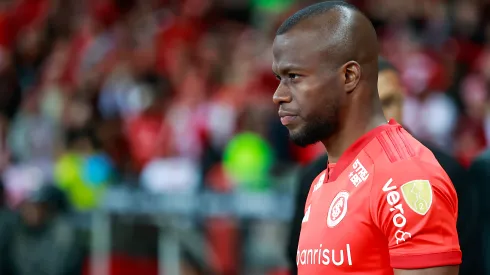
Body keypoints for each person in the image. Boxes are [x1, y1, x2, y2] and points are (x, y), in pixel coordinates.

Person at [272, 1, 461, 274]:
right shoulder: (319, 182)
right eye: (279, 77)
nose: (279, 94)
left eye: (294, 76)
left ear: (349, 76)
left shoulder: (404, 176)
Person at [286, 57, 481, 274]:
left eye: (387, 102)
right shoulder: (316, 177)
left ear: (403, 100)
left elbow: (472, 263)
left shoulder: (446, 170)